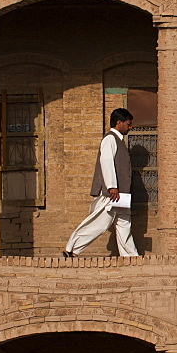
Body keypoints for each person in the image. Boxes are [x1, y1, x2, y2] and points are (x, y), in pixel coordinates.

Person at [62, 108, 139, 257]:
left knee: (124, 223)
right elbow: (106, 161)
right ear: (119, 123)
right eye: (128, 124)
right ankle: (72, 249)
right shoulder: (110, 139)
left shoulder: (119, 141)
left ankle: (130, 257)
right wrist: (112, 186)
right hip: (112, 193)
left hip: (121, 194)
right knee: (100, 221)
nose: (130, 127)